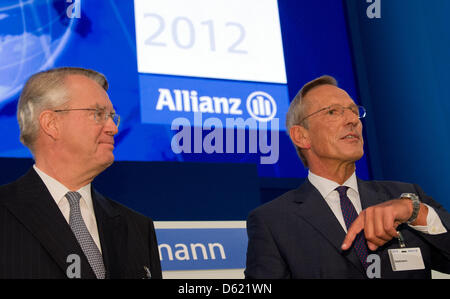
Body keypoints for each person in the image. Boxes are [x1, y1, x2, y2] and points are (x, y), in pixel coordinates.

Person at [245, 75, 450, 278]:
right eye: (333, 112)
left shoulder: (407, 197)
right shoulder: (273, 221)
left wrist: (414, 212)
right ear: (301, 136)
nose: (353, 120)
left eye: (354, 111)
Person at [0, 67, 162, 279]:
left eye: (112, 116)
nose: (113, 128)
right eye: (97, 114)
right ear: (51, 123)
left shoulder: (137, 228)